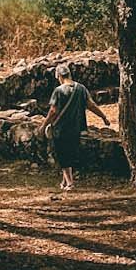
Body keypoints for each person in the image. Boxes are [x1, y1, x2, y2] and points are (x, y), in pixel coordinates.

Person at [42, 62, 111, 190]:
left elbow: (53, 111)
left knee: (62, 155)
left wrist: (44, 125)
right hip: (76, 128)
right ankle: (64, 182)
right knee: (69, 153)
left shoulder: (58, 91)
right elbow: (91, 105)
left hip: (60, 129)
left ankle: (70, 183)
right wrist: (103, 117)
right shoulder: (81, 88)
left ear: (59, 76)